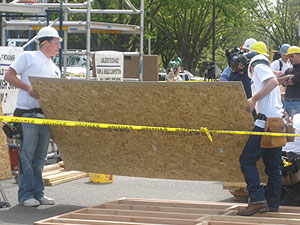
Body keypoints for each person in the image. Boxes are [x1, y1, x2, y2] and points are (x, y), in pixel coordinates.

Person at [4, 26, 61, 207]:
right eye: (56, 43)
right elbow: (9, 76)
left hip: (44, 117)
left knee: (40, 157)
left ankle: (38, 192)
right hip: (28, 115)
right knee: (27, 155)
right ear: (45, 42)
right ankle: (26, 195)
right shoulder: (28, 57)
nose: (58, 47)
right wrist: (28, 88)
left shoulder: (54, 68)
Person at [237, 54, 285, 216]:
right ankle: (272, 204)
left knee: (247, 160)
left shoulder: (258, 67)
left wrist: (253, 100)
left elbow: (272, 82)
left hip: (265, 124)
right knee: (273, 167)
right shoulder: (265, 69)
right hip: (276, 124)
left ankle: (257, 200)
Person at [281, 46, 300, 116]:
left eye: (291, 56)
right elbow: (279, 81)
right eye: (288, 56)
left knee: (295, 125)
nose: (289, 59)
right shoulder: (289, 70)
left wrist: (285, 81)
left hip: (297, 103)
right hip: (286, 102)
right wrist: (287, 77)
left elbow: (291, 82)